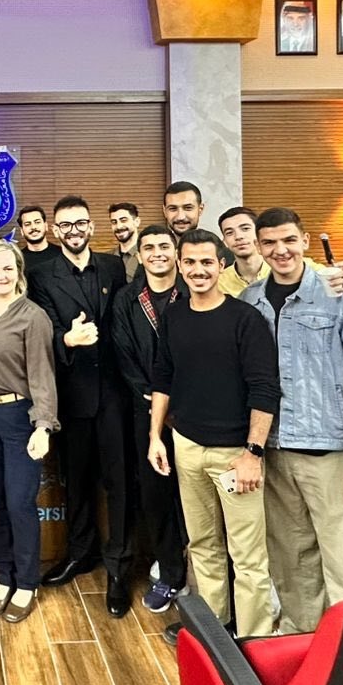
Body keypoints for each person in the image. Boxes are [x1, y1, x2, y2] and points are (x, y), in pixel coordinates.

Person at [241, 208, 343, 632]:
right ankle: (302, 638)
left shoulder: (340, 295)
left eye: (289, 240)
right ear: (258, 247)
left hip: (332, 451)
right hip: (274, 449)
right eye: (269, 242)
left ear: (305, 241)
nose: (280, 250)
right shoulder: (250, 300)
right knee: (291, 559)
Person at [147, 229, 281, 638]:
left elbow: (264, 389)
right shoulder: (174, 316)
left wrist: (253, 453)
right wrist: (155, 437)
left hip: (235, 454)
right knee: (203, 544)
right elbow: (163, 378)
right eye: (190, 262)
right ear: (179, 265)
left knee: (248, 554)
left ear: (221, 265)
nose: (198, 270)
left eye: (207, 262)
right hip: (187, 446)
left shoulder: (245, 319)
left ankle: (254, 638)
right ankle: (215, 628)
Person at [28, 195, 134, 616]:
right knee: (76, 482)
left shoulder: (112, 268)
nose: (74, 230)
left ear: (91, 227)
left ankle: (119, 569)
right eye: (66, 225)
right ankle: (80, 554)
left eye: (81, 223)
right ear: (56, 231)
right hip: (72, 396)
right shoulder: (41, 274)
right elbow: (43, 330)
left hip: (116, 395)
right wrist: (66, 340)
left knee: (119, 485)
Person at [0, 241, 57, 623]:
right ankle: (4, 576)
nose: (0, 275)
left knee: (20, 503)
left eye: (7, 268)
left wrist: (44, 425)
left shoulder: (33, 317)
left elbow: (43, 375)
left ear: (19, 272)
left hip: (20, 416)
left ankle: (26, 582)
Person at [110, 224, 189, 615]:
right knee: (155, 495)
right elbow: (123, 352)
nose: (157, 253)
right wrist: (152, 394)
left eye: (164, 246)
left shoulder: (192, 291)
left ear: (176, 252)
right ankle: (171, 572)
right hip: (146, 412)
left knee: (196, 496)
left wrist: (179, 397)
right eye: (149, 248)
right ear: (139, 256)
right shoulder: (127, 299)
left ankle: (205, 576)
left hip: (193, 410)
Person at [218, 205, 343, 307]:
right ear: (224, 241)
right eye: (229, 232)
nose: (238, 237)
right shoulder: (219, 280)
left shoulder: (304, 268)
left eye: (245, 229)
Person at [16, 205, 58, 272]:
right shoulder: (18, 259)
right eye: (27, 224)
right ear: (22, 231)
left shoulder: (62, 254)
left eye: (37, 222)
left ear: (46, 226)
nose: (33, 227)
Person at [108, 201, 142, 282]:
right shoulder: (106, 259)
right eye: (114, 222)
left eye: (123, 220)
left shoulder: (147, 255)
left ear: (137, 222)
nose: (119, 226)